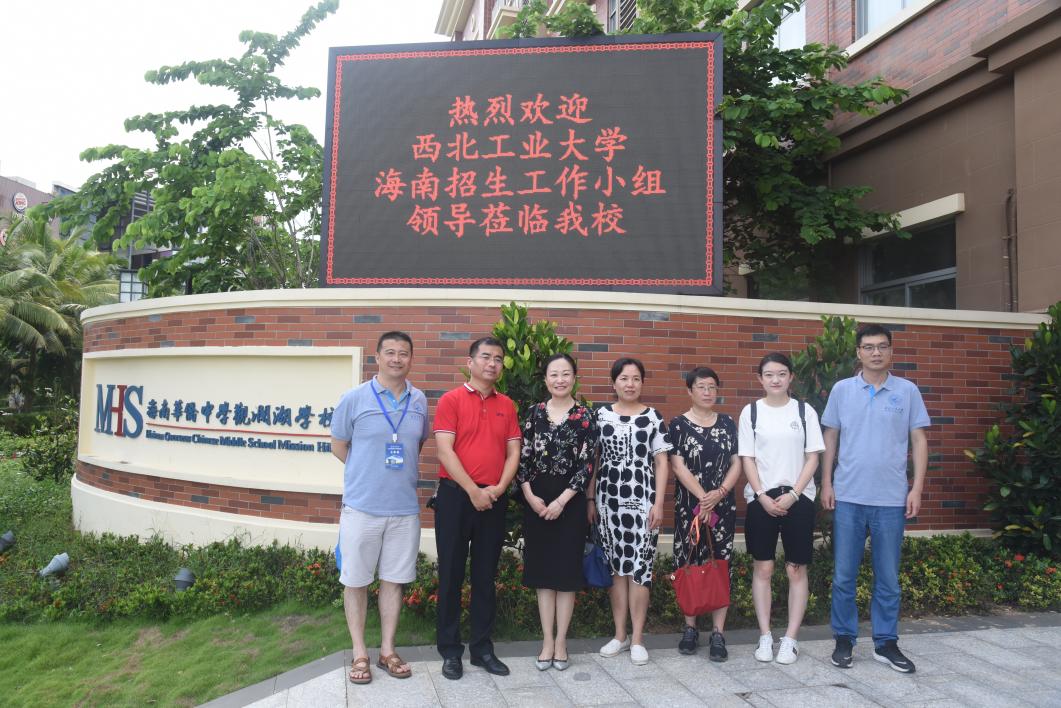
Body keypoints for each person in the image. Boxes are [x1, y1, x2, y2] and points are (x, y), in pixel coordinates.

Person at [821, 323, 930, 673]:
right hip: (849, 496)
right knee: (843, 575)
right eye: (868, 347)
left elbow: (919, 441)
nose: (876, 352)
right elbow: (830, 437)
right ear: (858, 352)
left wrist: (916, 488)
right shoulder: (842, 390)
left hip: (891, 499)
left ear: (891, 351)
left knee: (888, 578)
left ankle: (885, 642)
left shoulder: (907, 391)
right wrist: (826, 482)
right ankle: (844, 639)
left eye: (882, 346)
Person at [330, 331, 430, 685]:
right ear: (377, 357)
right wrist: (365, 472)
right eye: (390, 352)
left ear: (411, 359)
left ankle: (387, 650)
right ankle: (360, 653)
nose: (396, 359)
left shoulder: (419, 401)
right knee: (356, 581)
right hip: (362, 508)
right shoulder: (354, 398)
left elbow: (416, 444)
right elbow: (338, 445)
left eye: (403, 353)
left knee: (393, 581)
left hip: (403, 510)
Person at [433, 336, 522, 681]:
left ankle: (482, 649)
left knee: (485, 577)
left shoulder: (507, 405)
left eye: (498, 358)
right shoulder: (451, 400)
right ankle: (450, 651)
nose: (492, 363)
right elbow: (445, 450)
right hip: (456, 498)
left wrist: (498, 488)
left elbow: (513, 452)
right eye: (486, 357)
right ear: (470, 362)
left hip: (493, 499)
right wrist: (473, 490)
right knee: (451, 575)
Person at [737, 352, 824, 665]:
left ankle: (790, 639)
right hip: (761, 498)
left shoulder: (804, 411)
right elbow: (747, 458)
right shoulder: (751, 412)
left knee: (795, 569)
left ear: (791, 377)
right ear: (760, 379)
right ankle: (765, 636)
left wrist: (795, 494)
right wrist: (761, 495)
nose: (776, 379)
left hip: (798, 497)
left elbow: (813, 457)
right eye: (769, 374)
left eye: (782, 374)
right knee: (763, 568)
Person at [518, 353, 598, 671]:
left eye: (566, 374)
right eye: (554, 374)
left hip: (570, 503)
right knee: (543, 575)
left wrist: (562, 501)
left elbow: (587, 465)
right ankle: (546, 641)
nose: (560, 379)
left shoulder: (585, 416)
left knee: (565, 575)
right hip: (536, 502)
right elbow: (523, 457)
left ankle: (561, 641)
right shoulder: (534, 413)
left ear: (574, 378)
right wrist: (530, 496)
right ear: (545, 380)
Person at [590, 357, 671, 666]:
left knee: (640, 568)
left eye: (636, 378)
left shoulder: (653, 417)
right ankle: (620, 635)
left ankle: (637, 638)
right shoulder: (601, 416)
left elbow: (661, 462)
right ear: (614, 383)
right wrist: (590, 500)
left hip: (643, 501)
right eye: (624, 378)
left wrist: (659, 503)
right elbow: (594, 460)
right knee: (615, 568)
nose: (630, 384)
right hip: (608, 501)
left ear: (642, 383)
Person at [668, 366, 741, 661]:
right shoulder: (678, 425)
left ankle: (718, 632)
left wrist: (719, 493)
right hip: (690, 507)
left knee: (719, 564)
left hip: (722, 506)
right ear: (690, 391)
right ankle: (690, 628)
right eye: (701, 387)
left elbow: (737, 462)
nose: (707, 392)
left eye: (712, 387)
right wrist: (703, 498)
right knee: (689, 561)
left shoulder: (727, 423)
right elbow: (677, 465)